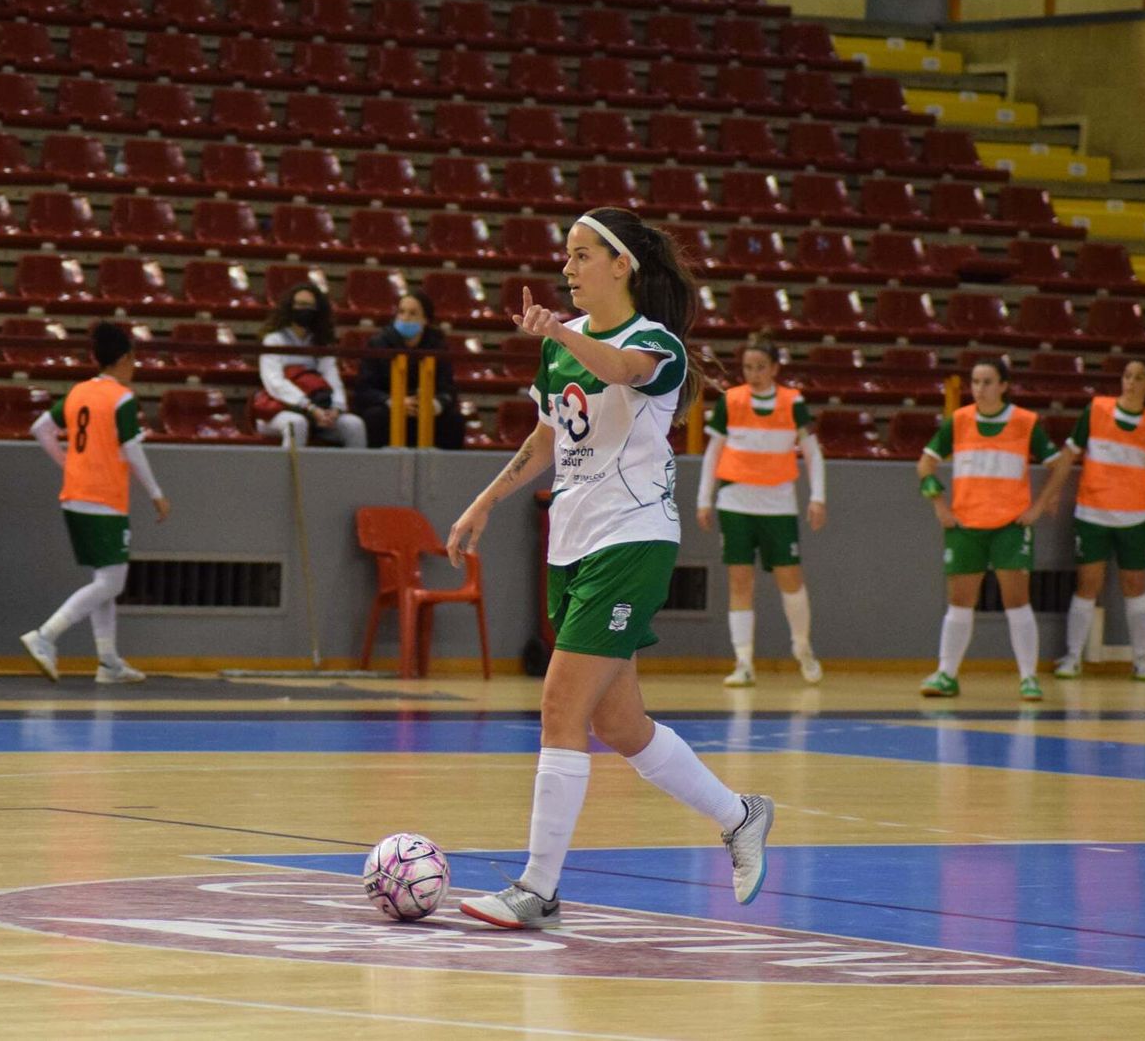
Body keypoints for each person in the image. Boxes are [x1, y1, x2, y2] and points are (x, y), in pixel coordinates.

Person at [445, 207, 773, 929]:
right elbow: (544, 438)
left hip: (631, 541)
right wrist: (484, 502)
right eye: (566, 256)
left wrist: (560, 329)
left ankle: (538, 887)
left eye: (583, 254)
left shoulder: (655, 344)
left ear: (623, 264)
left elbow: (620, 368)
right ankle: (740, 813)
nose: (568, 268)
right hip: (573, 543)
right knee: (622, 723)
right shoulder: (561, 351)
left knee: (560, 707)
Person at [22, 322, 171, 684]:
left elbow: (40, 428)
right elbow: (132, 450)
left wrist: (67, 462)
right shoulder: (121, 397)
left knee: (105, 579)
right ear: (124, 359)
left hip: (75, 495)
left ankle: (108, 662)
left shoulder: (78, 393)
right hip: (104, 497)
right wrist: (156, 493)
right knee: (112, 583)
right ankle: (45, 636)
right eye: (134, 359)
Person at [917, 358, 1072, 702]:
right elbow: (925, 464)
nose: (980, 388)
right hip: (965, 524)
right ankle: (947, 674)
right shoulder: (958, 421)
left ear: (1004, 385)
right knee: (959, 602)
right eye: (975, 382)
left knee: (1017, 601)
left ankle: (1028, 677)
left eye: (987, 381)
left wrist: (1040, 504)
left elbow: (1059, 464)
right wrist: (939, 505)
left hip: (1009, 525)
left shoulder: (1025, 422)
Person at [696, 335, 826, 686]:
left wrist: (818, 497)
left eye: (760, 367)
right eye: (748, 367)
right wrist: (704, 499)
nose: (753, 373)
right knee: (740, 581)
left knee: (791, 580)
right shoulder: (732, 401)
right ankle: (743, 662)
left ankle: (802, 648)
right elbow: (713, 453)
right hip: (735, 503)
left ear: (775, 368)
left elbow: (813, 452)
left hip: (779, 504)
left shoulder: (793, 402)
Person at [1055, 359, 1145, 681]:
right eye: (1127, 376)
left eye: (1139, 378)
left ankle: (1141, 660)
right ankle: (1073, 657)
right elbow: (1070, 453)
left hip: (1135, 518)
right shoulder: (1096, 411)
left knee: (1135, 587)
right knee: (1088, 585)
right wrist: (1052, 493)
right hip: (1092, 514)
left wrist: (1143, 498)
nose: (1131, 382)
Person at [253, 283, 367, 448]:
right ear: (289, 307)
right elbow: (274, 383)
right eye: (300, 304)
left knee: (354, 424)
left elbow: (332, 378)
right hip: (278, 410)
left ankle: (357, 473)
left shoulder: (320, 343)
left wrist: (336, 409)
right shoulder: (273, 340)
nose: (304, 310)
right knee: (297, 424)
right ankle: (289, 474)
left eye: (310, 306)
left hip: (319, 412)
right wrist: (309, 407)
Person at [352, 288, 466, 450]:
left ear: (425, 319)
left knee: (454, 420)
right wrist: (395, 401)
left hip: (426, 409)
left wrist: (433, 404)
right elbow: (365, 389)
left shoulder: (438, 346)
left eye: (412, 313)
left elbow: (448, 389)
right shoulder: (378, 344)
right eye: (401, 312)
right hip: (389, 407)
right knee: (375, 417)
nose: (405, 318)